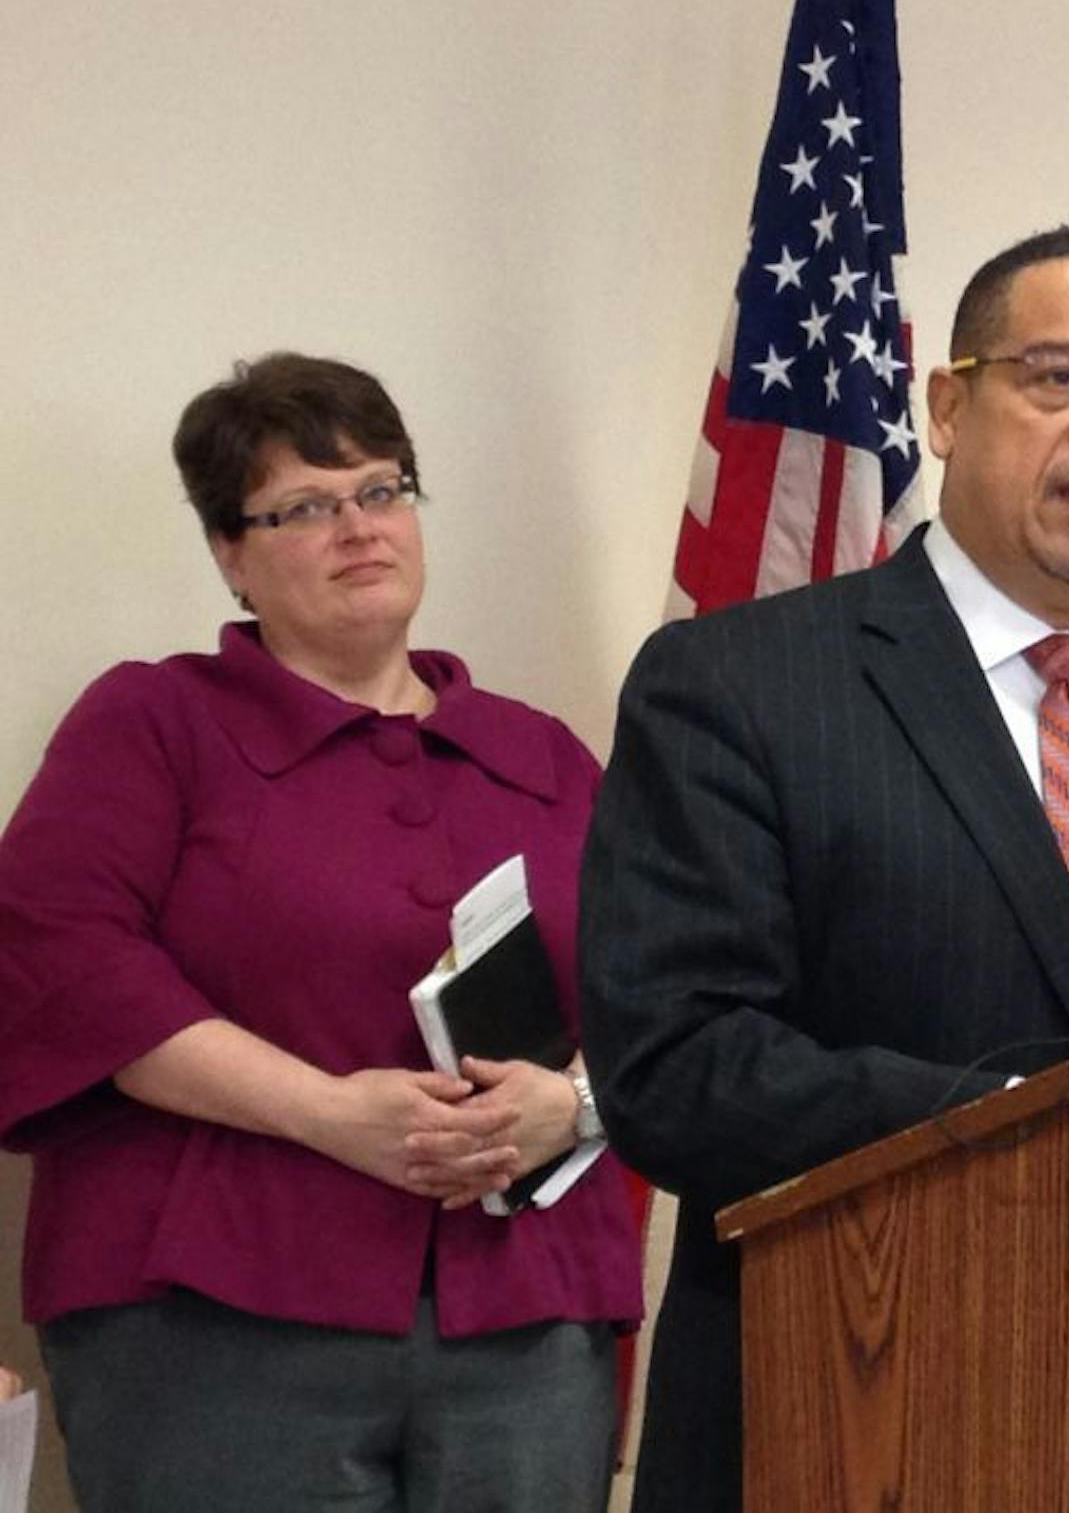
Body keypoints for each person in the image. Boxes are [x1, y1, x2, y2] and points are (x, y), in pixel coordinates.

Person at [580, 224, 1069, 1513]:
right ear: (947, 406)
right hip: (856, 1412)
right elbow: (677, 1069)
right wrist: (1038, 1125)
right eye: (1059, 378)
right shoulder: (744, 685)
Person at [0, 354, 642, 1513]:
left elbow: (663, 990)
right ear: (229, 553)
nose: (358, 528)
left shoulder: (543, 753)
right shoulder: (153, 721)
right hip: (211, 1323)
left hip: (527, 1314)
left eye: (382, 490)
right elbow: (61, 958)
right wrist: (327, 1112)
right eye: (304, 507)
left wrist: (576, 1103)